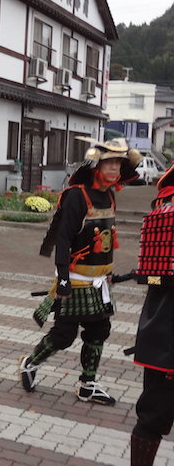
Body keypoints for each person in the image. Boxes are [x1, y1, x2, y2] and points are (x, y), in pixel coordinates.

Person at [18, 137, 141, 405]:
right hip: (75, 280)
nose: (114, 169)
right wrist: (62, 279)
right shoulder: (77, 196)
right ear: (97, 165)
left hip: (100, 281)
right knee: (63, 336)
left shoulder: (109, 195)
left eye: (118, 164)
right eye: (108, 163)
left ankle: (87, 384)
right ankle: (30, 362)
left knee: (99, 332)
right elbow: (63, 240)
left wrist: (110, 274)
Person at [130, 166, 174, 465]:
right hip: (167, 327)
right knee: (153, 416)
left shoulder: (164, 202)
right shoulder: (167, 206)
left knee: (153, 416)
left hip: (163, 329)